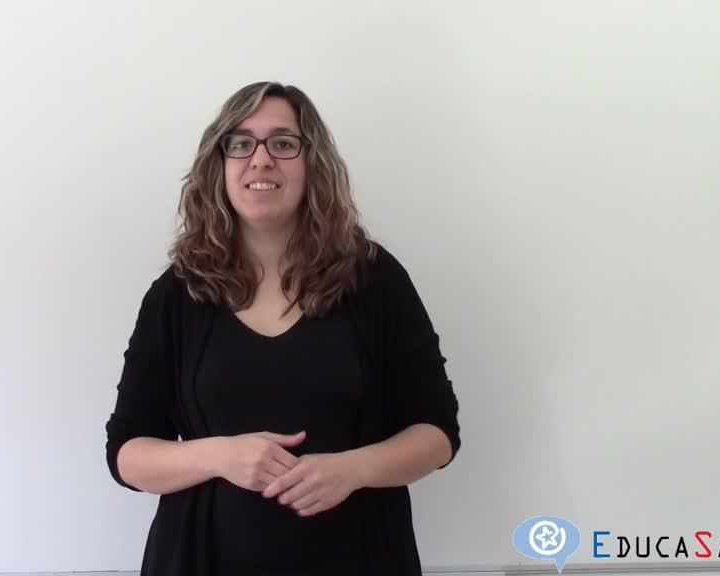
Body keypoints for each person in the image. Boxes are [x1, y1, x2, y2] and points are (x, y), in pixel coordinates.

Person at [105, 81, 461, 576]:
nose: (261, 159)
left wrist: (352, 469)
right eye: (240, 143)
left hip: (360, 557)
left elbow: (438, 432)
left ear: (313, 161)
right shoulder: (176, 293)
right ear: (219, 164)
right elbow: (127, 454)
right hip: (199, 559)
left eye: (283, 143)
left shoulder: (375, 280)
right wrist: (220, 456)